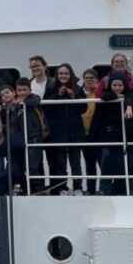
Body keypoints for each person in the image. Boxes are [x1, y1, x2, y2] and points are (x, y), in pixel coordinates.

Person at [94, 71, 133, 196]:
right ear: (110, 85)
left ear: (124, 85)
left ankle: (123, 188)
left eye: (120, 85)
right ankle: (105, 188)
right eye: (114, 85)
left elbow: (131, 94)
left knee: (125, 163)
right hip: (109, 135)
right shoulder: (105, 96)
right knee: (107, 162)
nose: (117, 88)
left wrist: (128, 104)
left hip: (126, 134)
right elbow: (104, 98)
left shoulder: (129, 96)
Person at [46, 64, 88, 195]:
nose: (63, 76)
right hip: (58, 131)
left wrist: (73, 97)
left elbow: (83, 109)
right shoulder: (51, 88)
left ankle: (77, 187)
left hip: (75, 131)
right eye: (61, 74)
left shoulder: (78, 89)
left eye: (66, 74)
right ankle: (62, 187)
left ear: (71, 75)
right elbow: (46, 108)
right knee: (60, 163)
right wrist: (57, 96)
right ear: (57, 75)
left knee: (75, 163)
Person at [27, 56, 57, 191]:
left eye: (37, 65)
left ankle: (56, 187)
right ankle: (39, 188)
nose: (35, 68)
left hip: (52, 124)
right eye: (32, 66)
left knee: (54, 159)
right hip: (35, 126)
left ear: (45, 66)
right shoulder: (29, 84)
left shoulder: (53, 83)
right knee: (36, 160)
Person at [0, 85, 26, 193]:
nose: (5, 96)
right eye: (2, 95)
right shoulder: (3, 111)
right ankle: (16, 186)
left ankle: (21, 185)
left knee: (21, 164)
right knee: (14, 163)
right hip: (11, 140)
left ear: (13, 93)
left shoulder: (20, 105)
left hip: (20, 138)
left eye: (7, 92)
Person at [80, 69, 102, 195]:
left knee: (102, 162)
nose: (89, 80)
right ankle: (91, 189)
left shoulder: (99, 94)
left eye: (92, 78)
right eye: (87, 78)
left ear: (97, 80)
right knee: (89, 164)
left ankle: (105, 187)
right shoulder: (81, 94)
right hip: (85, 133)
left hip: (98, 133)